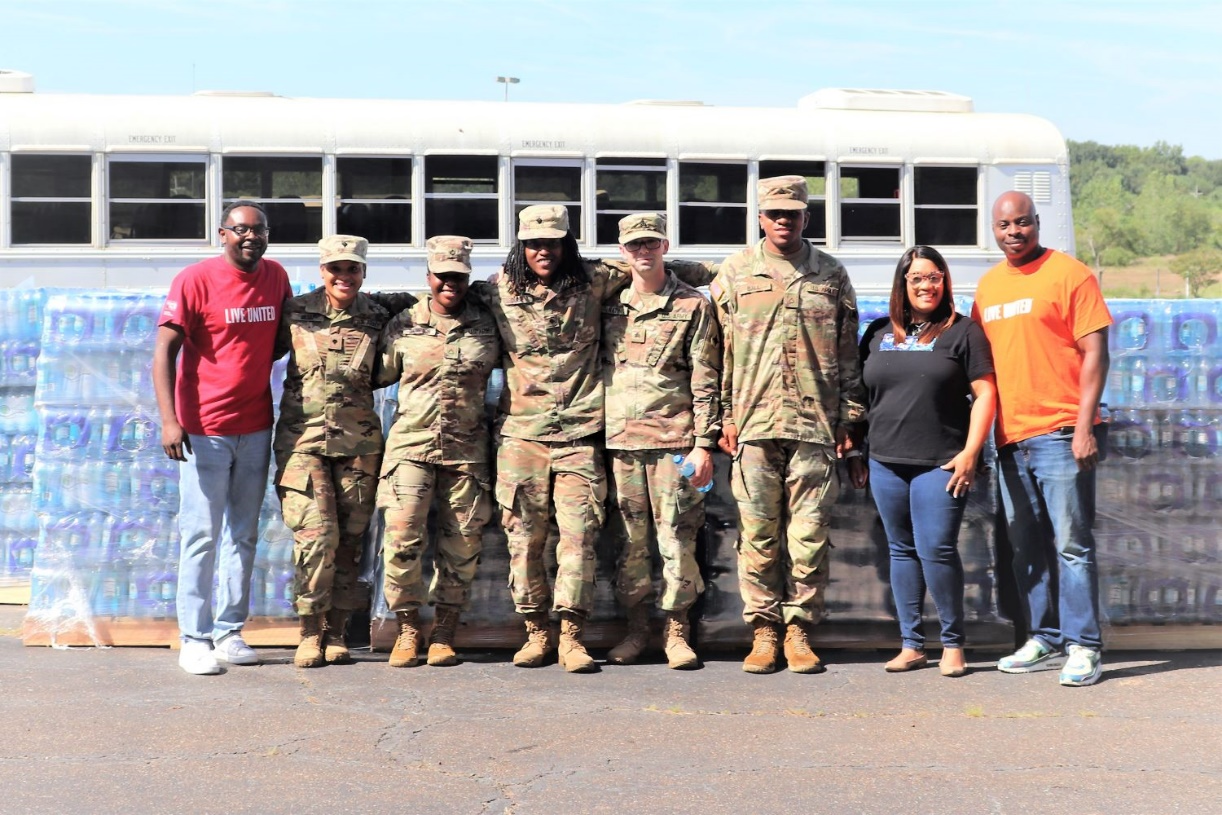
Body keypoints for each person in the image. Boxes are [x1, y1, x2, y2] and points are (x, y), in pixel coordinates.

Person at [476, 205, 712, 673]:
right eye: (534, 243)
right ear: (521, 246)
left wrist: (725, 274)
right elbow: (444, 294)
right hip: (522, 437)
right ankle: (536, 632)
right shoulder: (496, 289)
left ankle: (571, 636)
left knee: (579, 540)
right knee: (524, 540)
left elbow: (650, 266)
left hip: (582, 436)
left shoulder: (594, 280)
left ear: (567, 243)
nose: (544, 251)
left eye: (553, 242)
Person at [710, 175, 866, 675]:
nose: (783, 220)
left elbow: (848, 353)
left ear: (805, 218)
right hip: (753, 424)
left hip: (815, 425)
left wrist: (850, 419)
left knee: (809, 535)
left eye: (792, 213)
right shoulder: (736, 272)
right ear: (760, 218)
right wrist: (722, 417)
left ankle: (798, 630)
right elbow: (715, 353)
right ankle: (763, 632)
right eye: (774, 213)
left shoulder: (830, 274)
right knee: (757, 536)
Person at [971, 191, 1112, 687]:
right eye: (1004, 225)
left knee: (1072, 544)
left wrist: (1084, 427)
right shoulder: (988, 287)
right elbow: (981, 367)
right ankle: (1044, 637)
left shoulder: (1070, 275)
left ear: (1036, 222)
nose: (1014, 232)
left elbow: (1096, 354)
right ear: (994, 229)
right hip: (1011, 439)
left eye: (1023, 222)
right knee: (1024, 547)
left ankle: (1084, 646)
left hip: (1061, 433)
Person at [154, 200, 292, 675]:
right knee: (201, 535)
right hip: (204, 429)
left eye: (259, 229)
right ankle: (194, 639)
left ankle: (229, 631)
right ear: (222, 234)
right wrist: (170, 421)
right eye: (241, 229)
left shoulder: (276, 277)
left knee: (243, 535)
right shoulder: (195, 280)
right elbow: (164, 352)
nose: (251, 237)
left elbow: (279, 341)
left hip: (255, 425)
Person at [856, 246, 996, 678]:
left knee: (936, 549)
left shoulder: (964, 332)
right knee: (901, 551)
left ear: (945, 282)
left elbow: (985, 394)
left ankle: (953, 644)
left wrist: (971, 452)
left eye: (934, 277)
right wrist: (857, 449)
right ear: (903, 283)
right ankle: (912, 644)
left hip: (941, 463)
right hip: (885, 460)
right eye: (917, 277)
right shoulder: (878, 332)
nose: (926, 285)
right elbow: (861, 396)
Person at [601, 213, 722, 670]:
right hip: (620, 444)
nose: (643, 251)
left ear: (665, 245)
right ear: (622, 251)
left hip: (676, 442)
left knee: (677, 538)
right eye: (634, 245)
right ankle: (636, 630)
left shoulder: (692, 305)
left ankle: (676, 632)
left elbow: (706, 379)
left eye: (651, 243)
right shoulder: (608, 303)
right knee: (630, 542)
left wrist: (704, 443)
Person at [375, 236, 501, 668]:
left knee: (462, 545)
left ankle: (445, 632)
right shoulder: (404, 323)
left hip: (467, 451)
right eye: (442, 276)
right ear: (428, 276)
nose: (450, 283)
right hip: (411, 446)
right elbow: (377, 374)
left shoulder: (488, 323)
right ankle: (408, 628)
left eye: (458, 277)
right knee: (401, 540)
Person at [272, 235, 396, 669]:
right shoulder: (295, 311)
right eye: (335, 269)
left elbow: (430, 306)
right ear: (322, 271)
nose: (344, 276)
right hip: (302, 443)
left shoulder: (378, 316)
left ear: (363, 272)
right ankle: (310, 631)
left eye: (352, 269)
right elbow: (253, 351)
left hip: (358, 445)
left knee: (349, 542)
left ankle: (338, 632)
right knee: (316, 537)